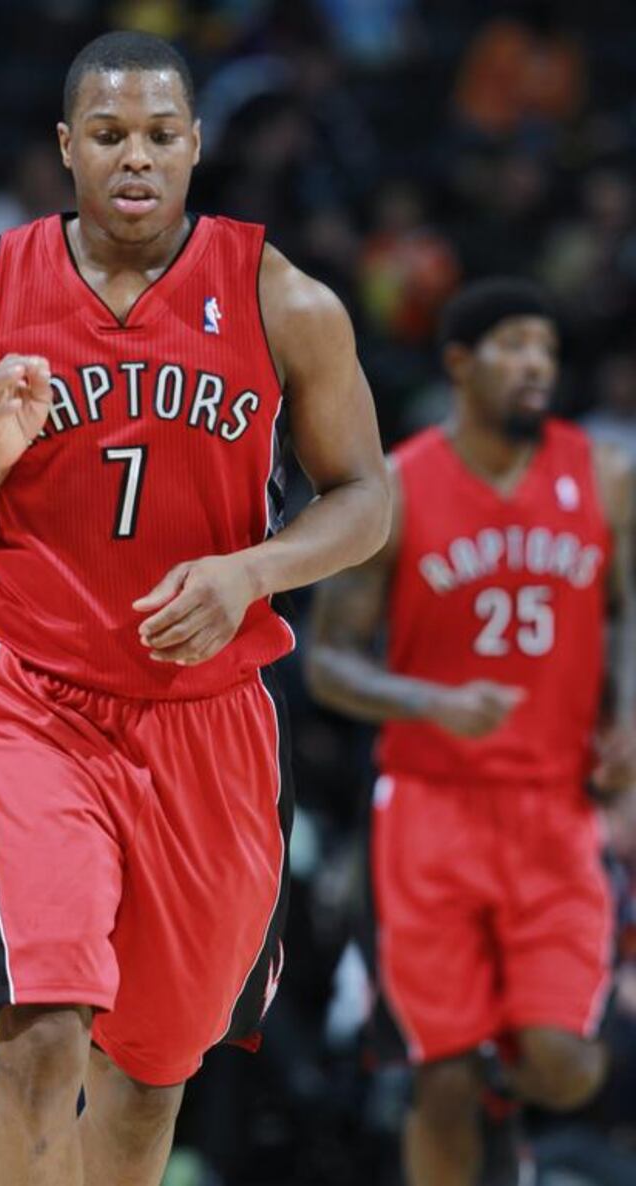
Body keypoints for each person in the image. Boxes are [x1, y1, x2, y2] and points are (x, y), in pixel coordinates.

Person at [0, 29, 390, 1186]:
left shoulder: (281, 298)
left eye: (161, 135)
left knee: (155, 1067)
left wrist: (248, 573)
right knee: (44, 1022)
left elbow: (367, 499)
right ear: (65, 148)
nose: (136, 159)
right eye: (108, 136)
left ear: (197, 145)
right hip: (34, 703)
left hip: (207, 720)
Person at [307, 277, 636, 1186]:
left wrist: (632, 713)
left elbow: (631, 609)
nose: (538, 365)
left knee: (564, 1065)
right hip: (427, 807)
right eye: (514, 345)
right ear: (459, 363)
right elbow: (327, 659)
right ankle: (473, 1091)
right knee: (437, 1076)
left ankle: (509, 1089)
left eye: (547, 350)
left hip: (554, 808)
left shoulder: (606, 475)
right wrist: (430, 702)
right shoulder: (400, 487)